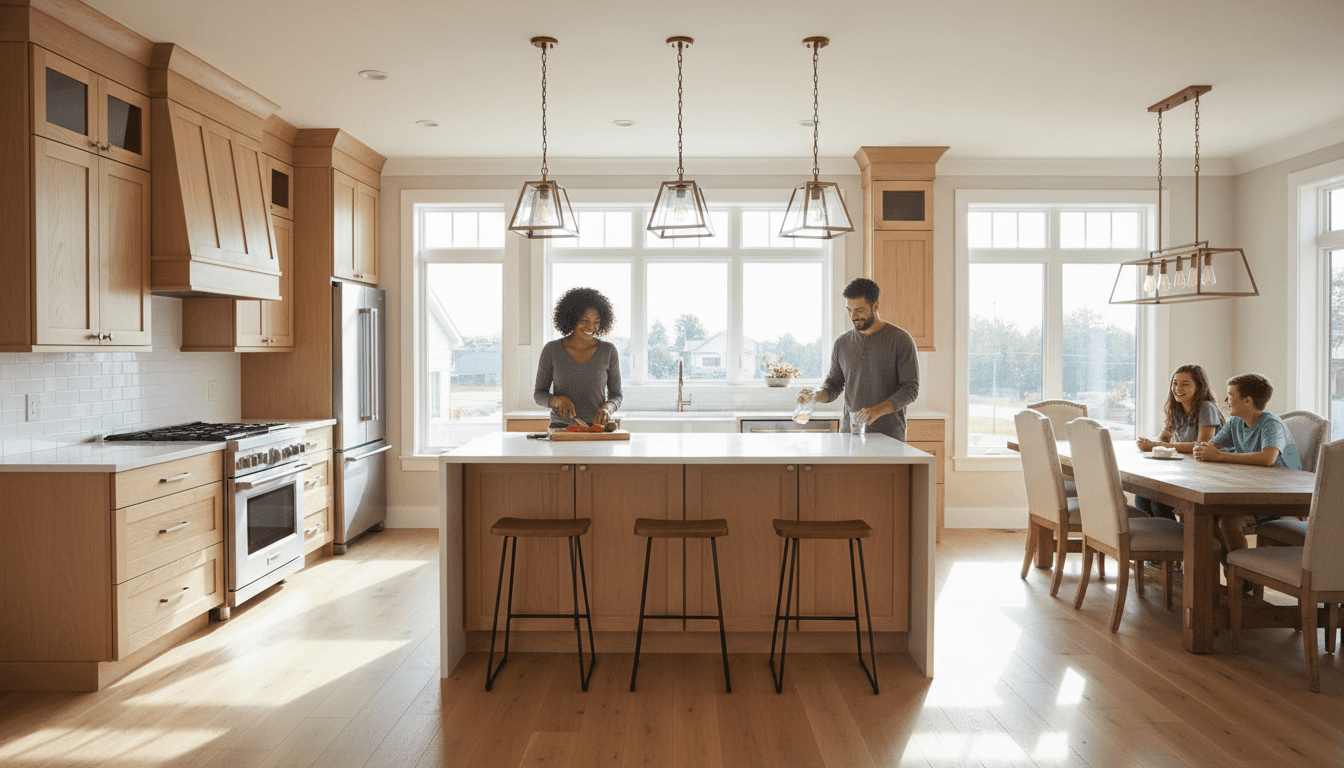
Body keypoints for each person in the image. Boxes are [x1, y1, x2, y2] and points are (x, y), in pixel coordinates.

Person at [799, 277, 920, 441]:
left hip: (890, 436)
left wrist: (877, 410)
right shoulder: (842, 343)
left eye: (859, 310)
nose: (853, 316)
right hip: (851, 435)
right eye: (849, 310)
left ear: (876, 306)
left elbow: (910, 389)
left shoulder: (901, 340)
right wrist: (815, 396)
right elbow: (833, 385)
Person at [1193, 373, 1301, 554]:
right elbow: (1212, 446)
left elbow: (1268, 458)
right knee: (1203, 516)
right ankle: (1230, 571)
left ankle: (1242, 580)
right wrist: (1203, 449)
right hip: (1253, 492)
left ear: (1247, 401)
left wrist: (1219, 456)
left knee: (1228, 522)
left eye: (1231, 395)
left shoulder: (1271, 423)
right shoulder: (1236, 422)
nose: (1226, 400)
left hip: (1279, 498)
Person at [1133, 364, 1226, 519]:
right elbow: (1163, 438)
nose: (1177, 388)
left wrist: (1156, 446)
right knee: (1141, 498)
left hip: (1208, 476)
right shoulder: (1177, 409)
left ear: (1199, 387)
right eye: (1175, 383)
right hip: (1186, 472)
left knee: (1158, 504)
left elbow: (1202, 445)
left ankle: (1174, 541)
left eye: (1185, 384)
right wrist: (1150, 443)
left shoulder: (1206, 408)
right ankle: (1161, 541)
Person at [534, 287, 623, 429]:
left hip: (596, 429)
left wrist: (607, 408)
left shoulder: (608, 351)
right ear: (572, 319)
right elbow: (539, 394)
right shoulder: (552, 350)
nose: (591, 327)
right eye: (585, 320)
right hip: (561, 428)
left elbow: (617, 395)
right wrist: (556, 400)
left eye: (596, 322)